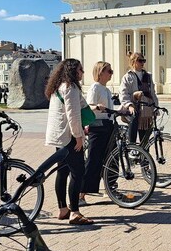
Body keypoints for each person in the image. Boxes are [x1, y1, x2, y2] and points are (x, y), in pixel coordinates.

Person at [44, 58, 94, 225]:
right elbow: (73, 114)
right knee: (77, 172)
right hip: (69, 136)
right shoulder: (71, 88)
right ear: (73, 71)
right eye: (80, 69)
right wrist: (78, 136)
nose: (82, 72)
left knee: (62, 171)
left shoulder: (58, 86)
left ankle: (63, 209)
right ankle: (74, 212)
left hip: (58, 136)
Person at [80, 61, 117, 207]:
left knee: (110, 158)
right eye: (109, 71)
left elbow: (109, 109)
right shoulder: (95, 87)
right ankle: (81, 194)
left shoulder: (106, 90)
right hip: (97, 127)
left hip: (107, 126)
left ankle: (110, 187)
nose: (111, 73)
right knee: (93, 160)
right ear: (100, 72)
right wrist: (97, 107)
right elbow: (88, 106)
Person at [120, 52, 159, 145]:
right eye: (140, 60)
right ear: (133, 62)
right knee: (134, 119)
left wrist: (156, 107)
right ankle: (131, 146)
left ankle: (144, 157)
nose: (142, 63)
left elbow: (152, 93)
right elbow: (123, 94)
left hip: (146, 109)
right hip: (134, 107)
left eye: (143, 60)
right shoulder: (127, 77)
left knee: (144, 138)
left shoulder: (148, 76)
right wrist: (129, 105)